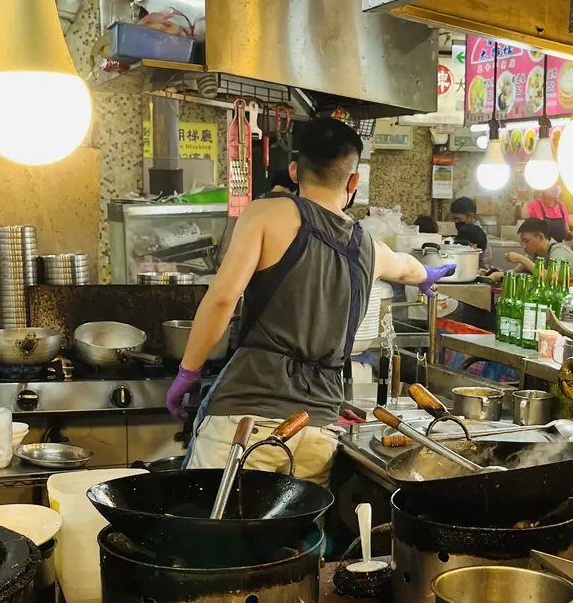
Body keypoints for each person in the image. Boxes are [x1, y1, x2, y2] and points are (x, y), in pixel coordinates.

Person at [165, 117, 453, 485]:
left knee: (216, 520)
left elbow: (222, 300)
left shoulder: (267, 213)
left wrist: (188, 372)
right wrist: (428, 275)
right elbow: (407, 268)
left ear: (294, 170)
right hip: (316, 432)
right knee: (297, 525)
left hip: (247, 424)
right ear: (353, 181)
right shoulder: (368, 247)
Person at [506, 218, 573, 275]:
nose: (524, 246)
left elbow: (552, 278)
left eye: (526, 241)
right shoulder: (534, 253)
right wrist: (503, 274)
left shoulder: (558, 250)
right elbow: (517, 271)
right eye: (522, 242)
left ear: (540, 237)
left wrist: (523, 259)